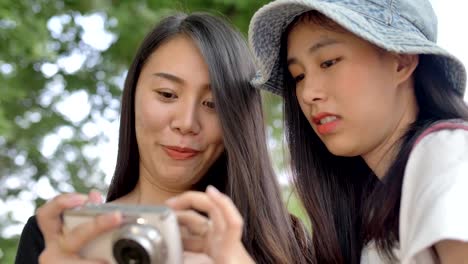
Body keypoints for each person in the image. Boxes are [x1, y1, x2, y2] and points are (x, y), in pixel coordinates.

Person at [15, 12, 311, 264]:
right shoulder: (57, 238)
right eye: (167, 95)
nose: (186, 123)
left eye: (213, 105)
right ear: (133, 95)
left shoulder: (285, 242)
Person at [248, 0, 468, 263]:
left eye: (328, 62)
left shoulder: (446, 153)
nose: (308, 94)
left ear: (401, 61)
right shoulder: (369, 207)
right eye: (298, 76)